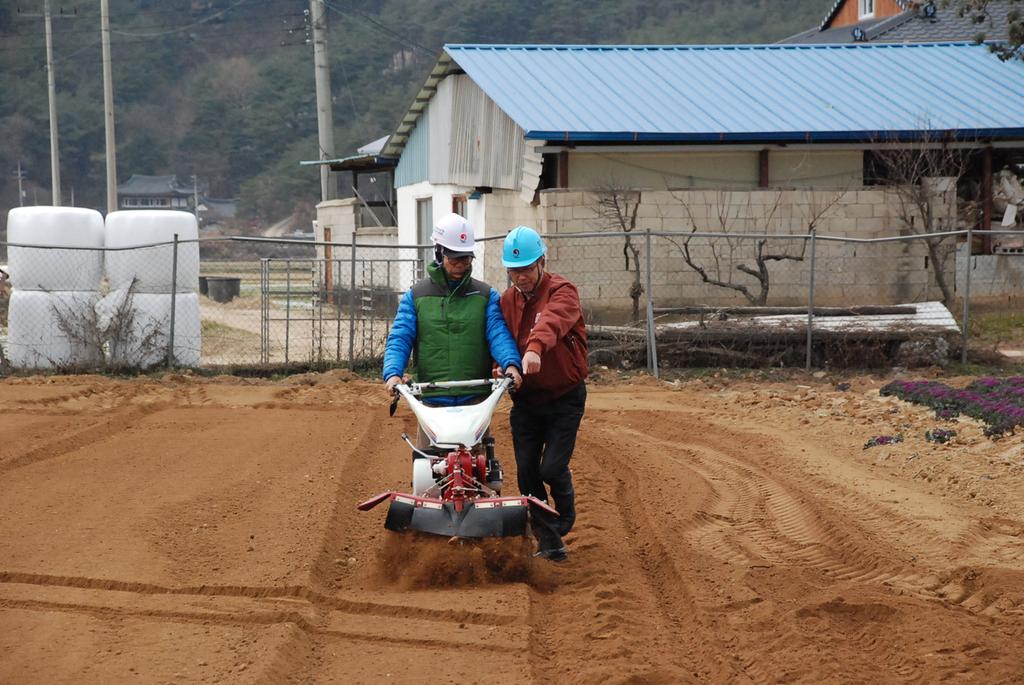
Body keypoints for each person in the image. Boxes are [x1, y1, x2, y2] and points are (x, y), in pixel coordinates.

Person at [382, 213, 522, 455]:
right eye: (454, 258)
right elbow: (400, 337)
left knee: (479, 471)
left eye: (466, 259)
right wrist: (393, 373)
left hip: (475, 402)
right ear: (439, 253)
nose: (461, 265)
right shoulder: (416, 296)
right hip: (432, 402)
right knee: (429, 472)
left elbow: (498, 333)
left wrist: (511, 364)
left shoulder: (485, 295)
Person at [499, 226, 587, 562]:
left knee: (551, 469)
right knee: (526, 471)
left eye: (525, 270)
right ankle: (549, 543)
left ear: (541, 262)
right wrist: (500, 365)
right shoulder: (507, 301)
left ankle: (564, 515)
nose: (520, 278)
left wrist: (534, 349)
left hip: (565, 397)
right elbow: (501, 340)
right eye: (513, 271)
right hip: (526, 401)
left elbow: (551, 321)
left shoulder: (562, 291)